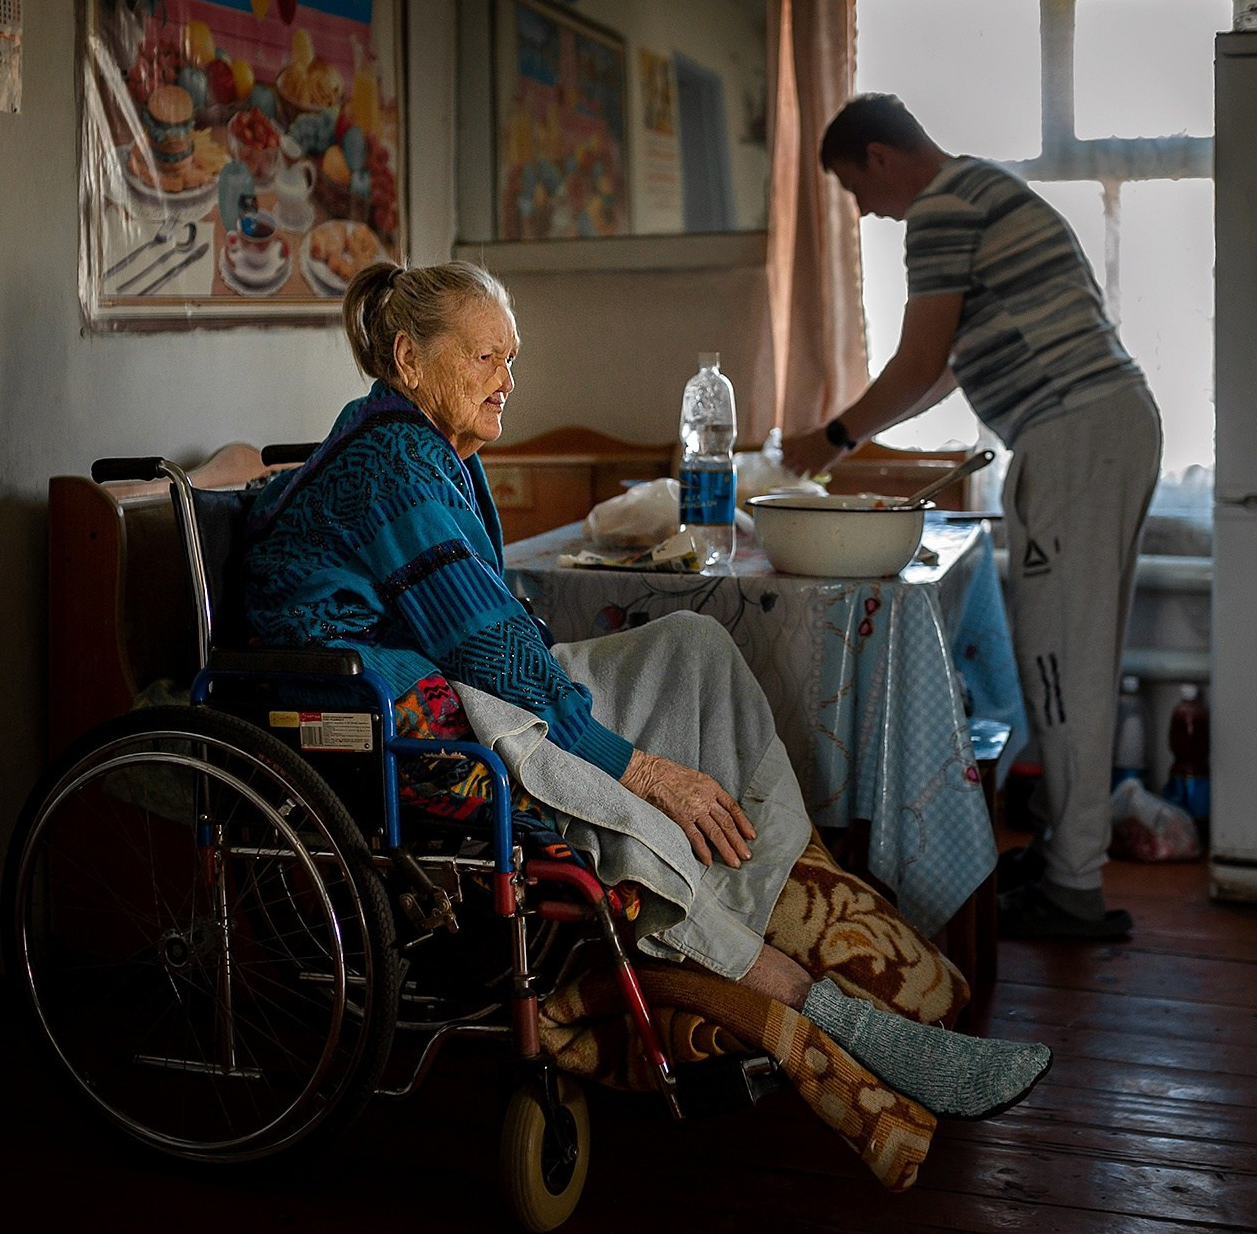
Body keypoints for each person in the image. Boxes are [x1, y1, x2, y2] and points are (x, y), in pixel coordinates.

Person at [242, 257, 1053, 1120]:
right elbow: (489, 653)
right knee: (580, 764)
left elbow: (498, 638)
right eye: (484, 358)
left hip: (447, 676)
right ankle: (804, 996)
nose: (506, 380)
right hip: (372, 703)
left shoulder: (427, 444)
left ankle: (772, 879)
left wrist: (606, 730)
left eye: (511, 359)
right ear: (409, 359)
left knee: (693, 647)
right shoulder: (393, 459)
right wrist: (645, 769)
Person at [782, 93, 1162, 941]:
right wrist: (860, 429)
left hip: (1074, 430)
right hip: (1106, 422)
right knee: (1078, 654)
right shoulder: (986, 190)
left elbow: (919, 362)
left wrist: (832, 438)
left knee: (1061, 662)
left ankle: (1073, 886)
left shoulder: (942, 208)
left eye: (854, 188)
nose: (863, 209)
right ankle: (1066, 856)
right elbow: (946, 369)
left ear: (881, 157)